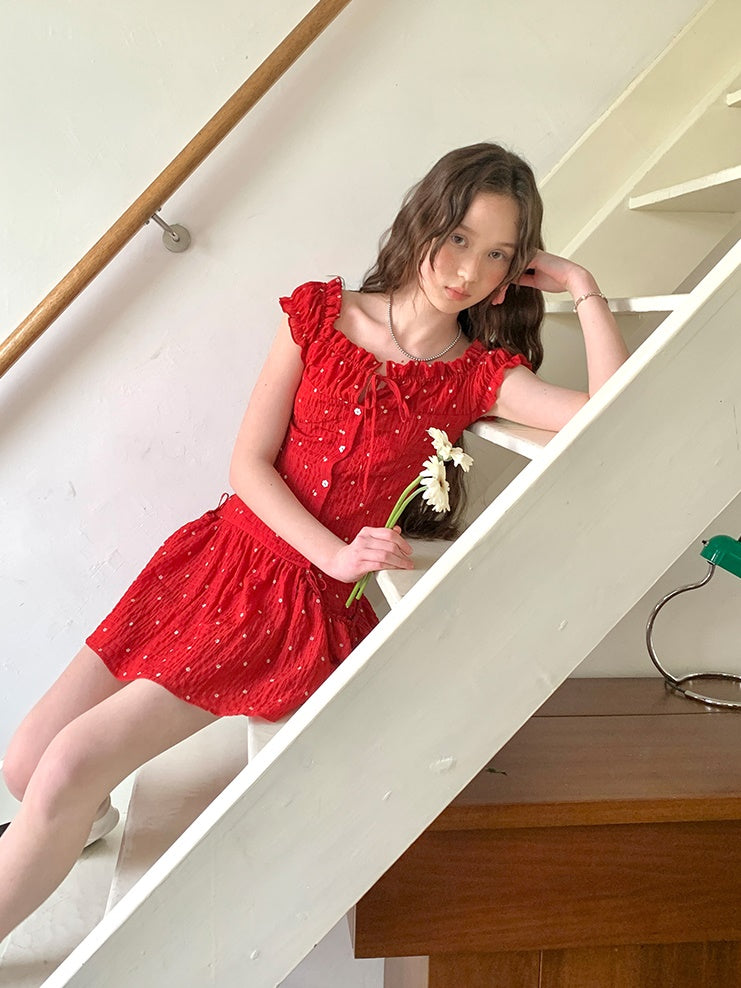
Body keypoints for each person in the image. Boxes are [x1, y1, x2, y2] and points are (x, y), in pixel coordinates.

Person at [0, 142, 628, 939]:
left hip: (287, 608)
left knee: (66, 765)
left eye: (497, 253)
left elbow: (612, 410)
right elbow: (247, 463)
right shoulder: (322, 314)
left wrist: (581, 285)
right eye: (459, 238)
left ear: (514, 270)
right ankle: (70, 822)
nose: (468, 269)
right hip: (217, 556)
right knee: (25, 764)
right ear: (423, 221)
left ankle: (58, 820)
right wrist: (328, 546)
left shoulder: (478, 375)